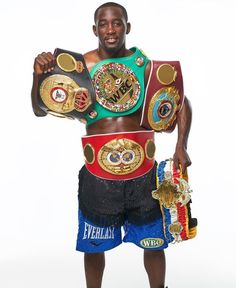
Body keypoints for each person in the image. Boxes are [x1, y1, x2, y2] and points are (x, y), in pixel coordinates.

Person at [31, 2, 194, 288]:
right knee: (94, 249)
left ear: (127, 27)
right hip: (98, 176)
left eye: (117, 23)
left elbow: (180, 102)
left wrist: (181, 145)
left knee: (155, 244)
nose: (110, 29)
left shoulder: (143, 66)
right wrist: (38, 77)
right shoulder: (80, 68)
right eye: (104, 24)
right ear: (95, 29)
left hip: (144, 173)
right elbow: (40, 109)